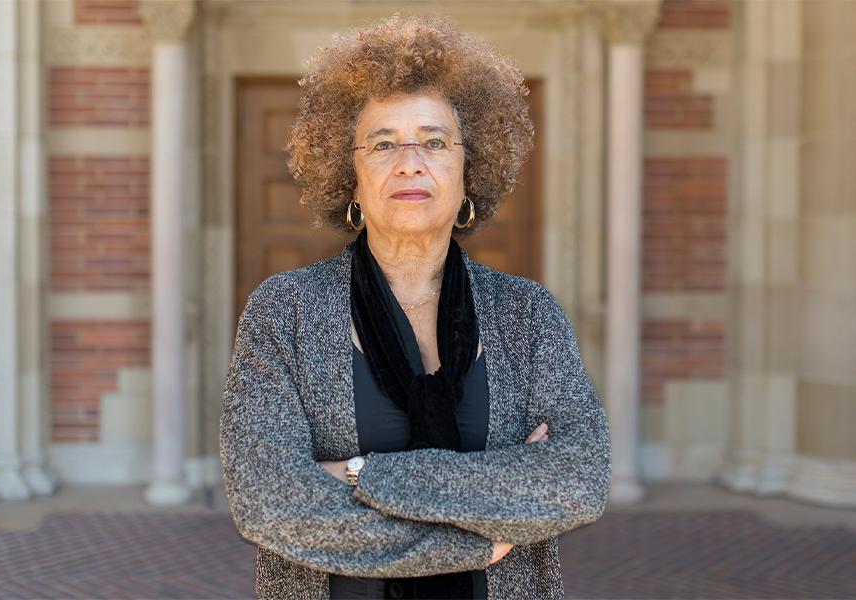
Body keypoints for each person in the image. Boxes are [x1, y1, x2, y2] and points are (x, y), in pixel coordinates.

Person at [219, 12, 611, 600]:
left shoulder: (528, 315)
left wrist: (361, 474)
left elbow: (579, 479)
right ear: (348, 176)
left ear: (466, 172)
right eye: (383, 144)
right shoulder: (285, 313)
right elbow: (271, 505)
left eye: (434, 142)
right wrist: (482, 532)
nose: (410, 162)